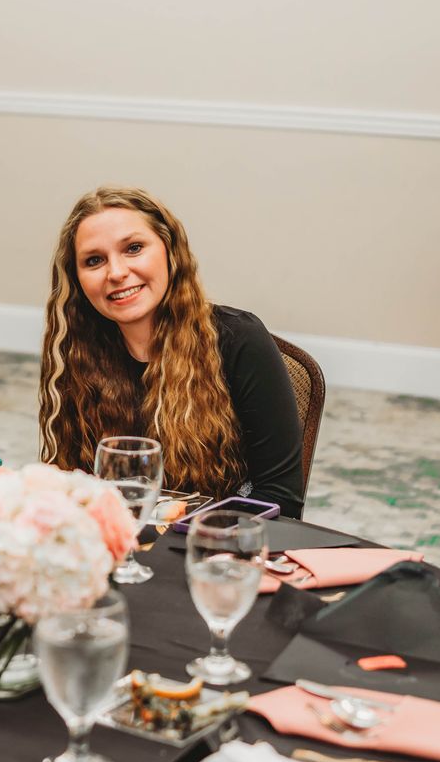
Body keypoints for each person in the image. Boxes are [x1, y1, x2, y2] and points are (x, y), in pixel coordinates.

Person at [38, 186, 306, 516]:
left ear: (169, 250)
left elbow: (281, 498)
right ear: (78, 279)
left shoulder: (239, 340)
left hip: (213, 547)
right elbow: (76, 485)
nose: (117, 272)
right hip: (121, 546)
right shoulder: (78, 353)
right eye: (94, 260)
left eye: (134, 248)